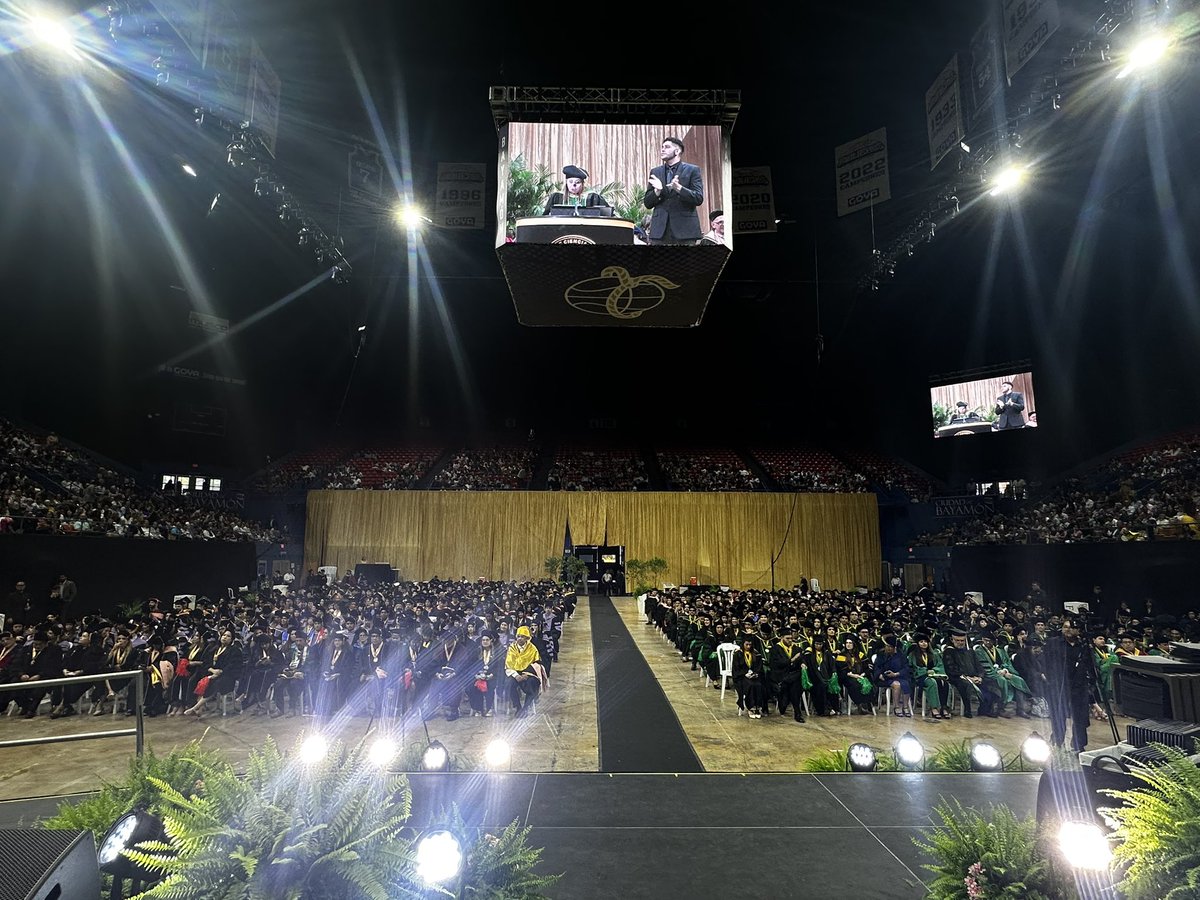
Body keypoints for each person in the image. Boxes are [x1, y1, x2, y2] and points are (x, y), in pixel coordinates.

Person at [1043, 616, 1095, 752]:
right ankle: (1057, 743)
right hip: (1059, 686)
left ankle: (1079, 746)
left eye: (1071, 627)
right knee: (1058, 716)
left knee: (1080, 718)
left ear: (1078, 630)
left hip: (1079, 687)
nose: (1068, 630)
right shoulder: (1053, 643)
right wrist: (1050, 679)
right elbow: (1045, 663)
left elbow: (1091, 666)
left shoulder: (1084, 646)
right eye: (1065, 627)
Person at [643, 136, 704, 244]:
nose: (662, 149)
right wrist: (657, 191)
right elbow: (647, 203)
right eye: (662, 147)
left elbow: (698, 198)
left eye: (667, 147)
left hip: (685, 230)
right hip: (660, 231)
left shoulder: (692, 170)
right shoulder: (655, 172)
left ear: (677, 151)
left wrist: (679, 188)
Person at [768, 627, 807, 722]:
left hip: (793, 675)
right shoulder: (775, 649)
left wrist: (803, 664)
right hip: (780, 675)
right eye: (787, 638)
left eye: (791, 638)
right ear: (781, 638)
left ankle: (797, 712)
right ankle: (796, 711)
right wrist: (792, 660)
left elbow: (801, 659)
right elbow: (776, 664)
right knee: (794, 683)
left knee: (795, 683)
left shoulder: (797, 648)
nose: (790, 640)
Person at [504, 625, 542, 717]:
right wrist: (516, 675)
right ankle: (518, 707)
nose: (520, 639)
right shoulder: (512, 648)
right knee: (509, 684)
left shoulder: (532, 649)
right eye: (518, 636)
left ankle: (525, 708)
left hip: (529, 674)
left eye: (522, 637)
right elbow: (508, 664)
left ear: (527, 638)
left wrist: (527, 674)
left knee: (532, 684)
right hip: (514, 673)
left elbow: (536, 663)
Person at [544, 165, 608, 214]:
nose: (573, 185)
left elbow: (607, 213)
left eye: (577, 182)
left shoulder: (593, 197)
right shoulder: (556, 197)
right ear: (566, 182)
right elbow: (546, 216)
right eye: (570, 182)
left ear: (583, 184)